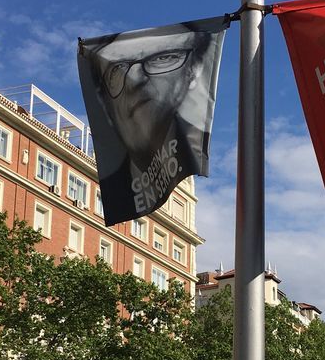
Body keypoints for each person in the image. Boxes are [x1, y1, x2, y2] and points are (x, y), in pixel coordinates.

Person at [79, 18, 225, 225]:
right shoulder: (111, 185)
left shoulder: (190, 149)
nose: (136, 79)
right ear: (102, 97)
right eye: (117, 68)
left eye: (164, 58)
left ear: (195, 71)